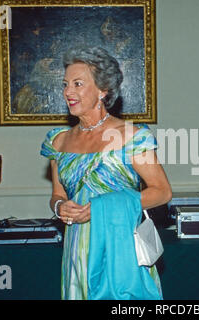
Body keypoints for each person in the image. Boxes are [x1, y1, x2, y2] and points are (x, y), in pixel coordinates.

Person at [40, 45, 172, 300]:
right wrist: (59, 208)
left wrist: (101, 207)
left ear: (103, 90)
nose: (68, 92)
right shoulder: (59, 142)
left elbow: (162, 192)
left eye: (78, 84)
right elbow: (57, 194)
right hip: (76, 249)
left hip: (120, 246)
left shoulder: (131, 136)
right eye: (65, 84)